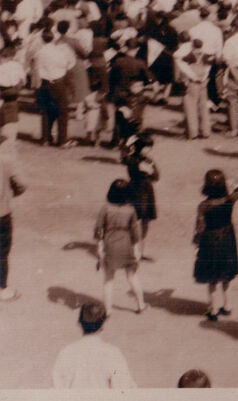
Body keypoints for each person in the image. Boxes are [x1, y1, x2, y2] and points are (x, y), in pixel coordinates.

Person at [193, 170, 238, 321]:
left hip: (210, 241)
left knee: (212, 277)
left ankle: (212, 309)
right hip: (227, 238)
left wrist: (197, 241)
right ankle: (227, 305)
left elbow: (200, 227)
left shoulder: (203, 206)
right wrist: (234, 184)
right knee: (226, 275)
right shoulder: (229, 200)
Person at [52, 302, 136, 389]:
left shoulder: (67, 352)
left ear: (79, 323)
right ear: (103, 325)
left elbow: (58, 387)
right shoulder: (112, 353)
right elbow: (123, 388)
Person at [94, 178, 147, 315]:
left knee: (108, 279)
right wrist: (136, 250)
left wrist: (100, 247)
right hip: (126, 245)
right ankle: (141, 305)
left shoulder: (105, 209)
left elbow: (99, 229)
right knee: (132, 276)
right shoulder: (130, 210)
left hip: (110, 245)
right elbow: (135, 232)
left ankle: (108, 309)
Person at [121, 132, 158, 257]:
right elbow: (124, 158)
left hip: (147, 191)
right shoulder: (132, 159)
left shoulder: (148, 160)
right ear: (139, 147)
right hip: (135, 191)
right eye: (147, 147)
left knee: (146, 221)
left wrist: (152, 170)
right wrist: (127, 144)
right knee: (135, 221)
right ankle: (132, 250)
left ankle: (141, 251)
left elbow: (156, 177)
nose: (149, 150)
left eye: (150, 147)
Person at [0, 122, 25, 301]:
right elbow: (20, 185)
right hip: (1, 212)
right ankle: (1, 288)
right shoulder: (5, 157)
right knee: (1, 252)